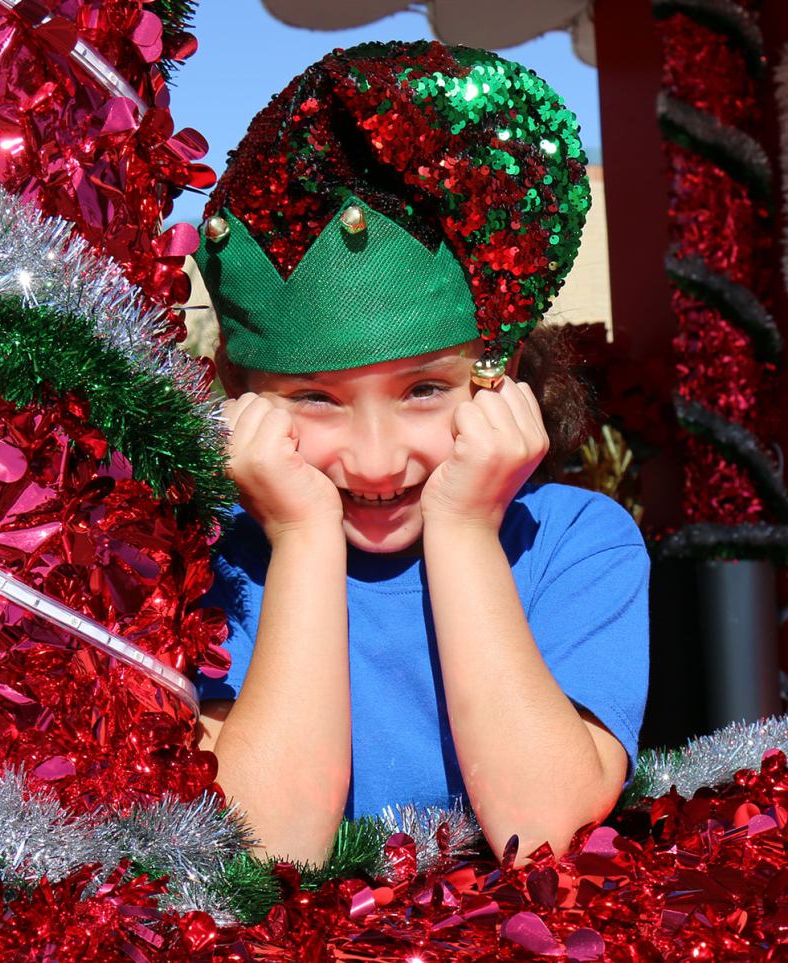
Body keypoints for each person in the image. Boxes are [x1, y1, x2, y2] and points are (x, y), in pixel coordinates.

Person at [191, 40, 649, 867]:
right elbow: (269, 848)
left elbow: (545, 832)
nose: (375, 462)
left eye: (423, 390)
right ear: (238, 393)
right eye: (315, 398)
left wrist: (469, 530)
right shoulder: (200, 569)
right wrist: (300, 541)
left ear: (497, 376)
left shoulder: (580, 545)